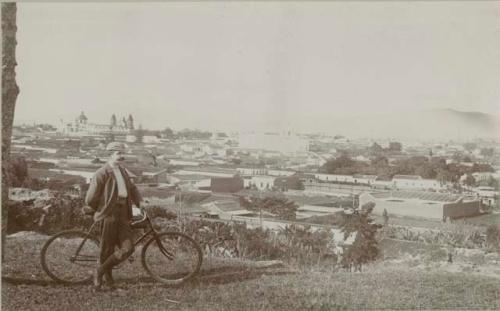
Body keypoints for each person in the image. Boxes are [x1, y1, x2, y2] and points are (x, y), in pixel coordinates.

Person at [84, 142, 142, 290]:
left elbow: (132, 188)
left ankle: (99, 271)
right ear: (110, 155)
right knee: (107, 249)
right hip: (108, 214)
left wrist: (140, 202)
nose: (122, 156)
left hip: (123, 213)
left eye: (123, 153)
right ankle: (108, 280)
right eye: (118, 153)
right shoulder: (101, 173)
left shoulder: (123, 171)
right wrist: (102, 209)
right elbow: (90, 198)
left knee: (128, 248)